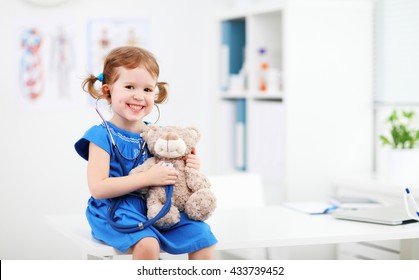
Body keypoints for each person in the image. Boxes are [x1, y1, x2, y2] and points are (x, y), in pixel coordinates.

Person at [74, 46, 217, 260]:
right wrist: (147, 178)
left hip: (156, 206)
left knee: (203, 235)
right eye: (130, 86)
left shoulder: (157, 137)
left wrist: (190, 166)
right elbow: (98, 188)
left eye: (147, 90)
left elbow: (172, 173)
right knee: (148, 244)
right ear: (108, 90)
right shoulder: (100, 136)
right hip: (114, 209)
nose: (139, 96)